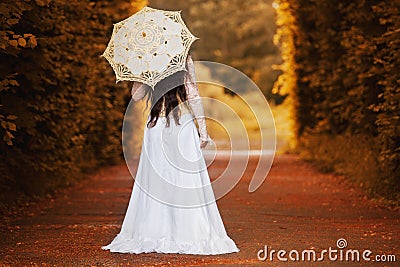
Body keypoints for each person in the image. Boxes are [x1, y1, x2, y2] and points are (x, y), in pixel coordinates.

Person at [101, 54, 239, 255]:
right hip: (179, 125)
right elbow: (193, 94)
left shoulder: (148, 59)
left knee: (158, 179)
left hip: (158, 126)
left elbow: (136, 96)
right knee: (183, 179)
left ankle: (156, 230)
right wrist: (202, 130)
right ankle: (186, 231)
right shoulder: (183, 58)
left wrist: (141, 71)